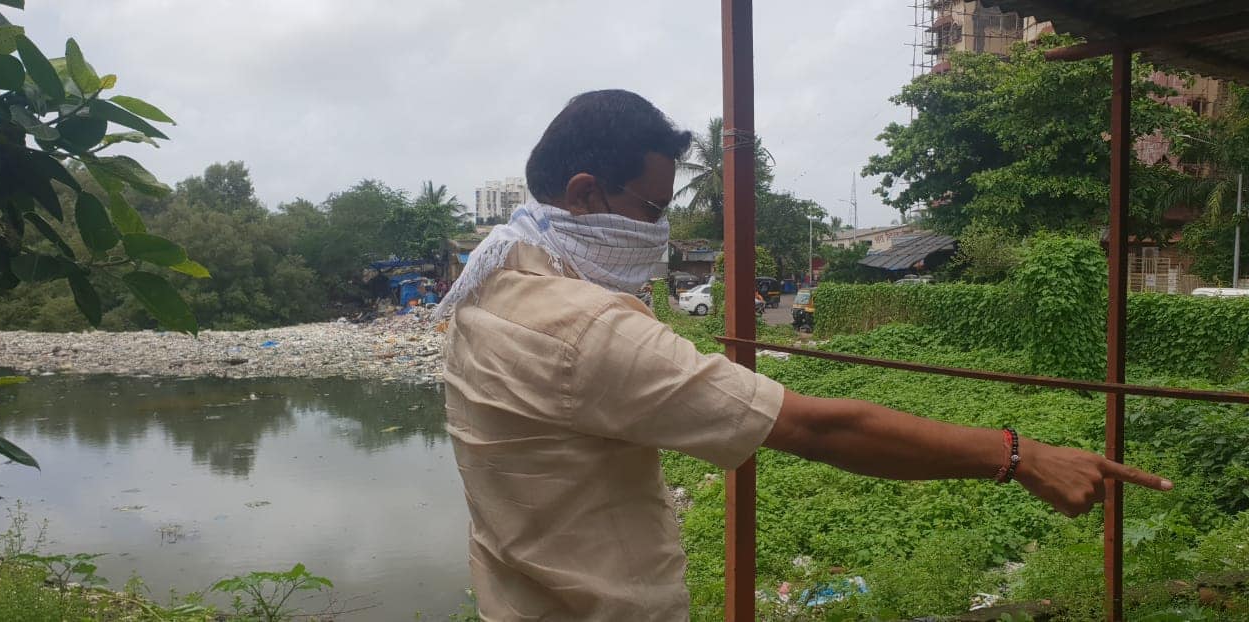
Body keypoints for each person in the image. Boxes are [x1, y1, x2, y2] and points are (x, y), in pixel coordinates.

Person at [436, 90, 1170, 621]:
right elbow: (821, 428)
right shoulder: (583, 327)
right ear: (585, 192)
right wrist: (1020, 454)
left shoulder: (487, 284)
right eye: (654, 210)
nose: (660, 231)